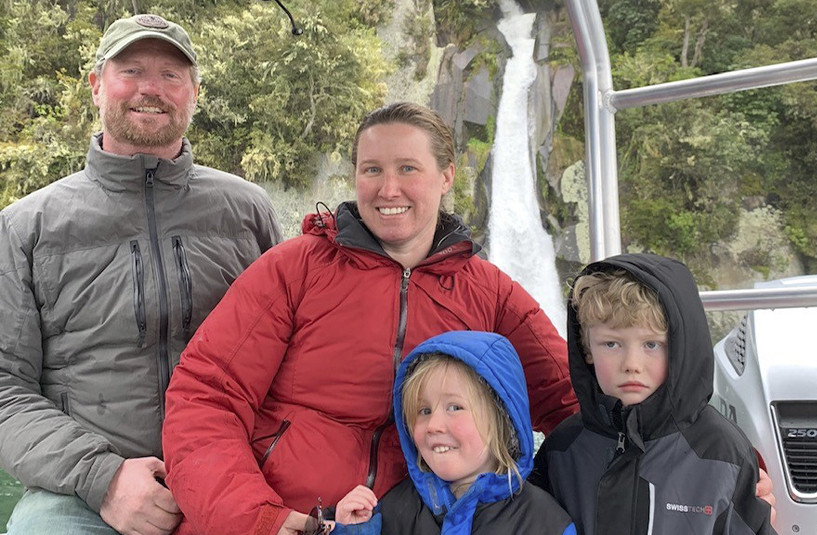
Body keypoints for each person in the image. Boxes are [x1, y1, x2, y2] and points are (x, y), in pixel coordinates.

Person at [161, 101, 578, 535]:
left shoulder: (489, 293)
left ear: (446, 176)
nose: (388, 189)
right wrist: (262, 519)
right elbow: (205, 396)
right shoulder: (295, 270)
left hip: (409, 524)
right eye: (372, 169)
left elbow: (572, 402)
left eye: (408, 169)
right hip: (283, 515)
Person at [0, 13, 281, 535]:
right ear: (96, 86)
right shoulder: (25, 228)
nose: (151, 89)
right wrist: (103, 479)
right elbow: (5, 388)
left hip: (233, 475)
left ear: (194, 93)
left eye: (170, 75)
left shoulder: (247, 211)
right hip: (82, 493)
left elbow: (290, 361)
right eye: (131, 71)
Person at [530, 253, 776, 534]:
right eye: (611, 344)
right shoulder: (562, 450)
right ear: (586, 349)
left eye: (652, 345)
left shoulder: (722, 451)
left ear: (679, 349)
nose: (632, 364)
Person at [331, 330, 576, 535]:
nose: (433, 425)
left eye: (455, 407)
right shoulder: (392, 511)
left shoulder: (546, 524)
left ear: (503, 420)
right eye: (424, 411)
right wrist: (351, 532)